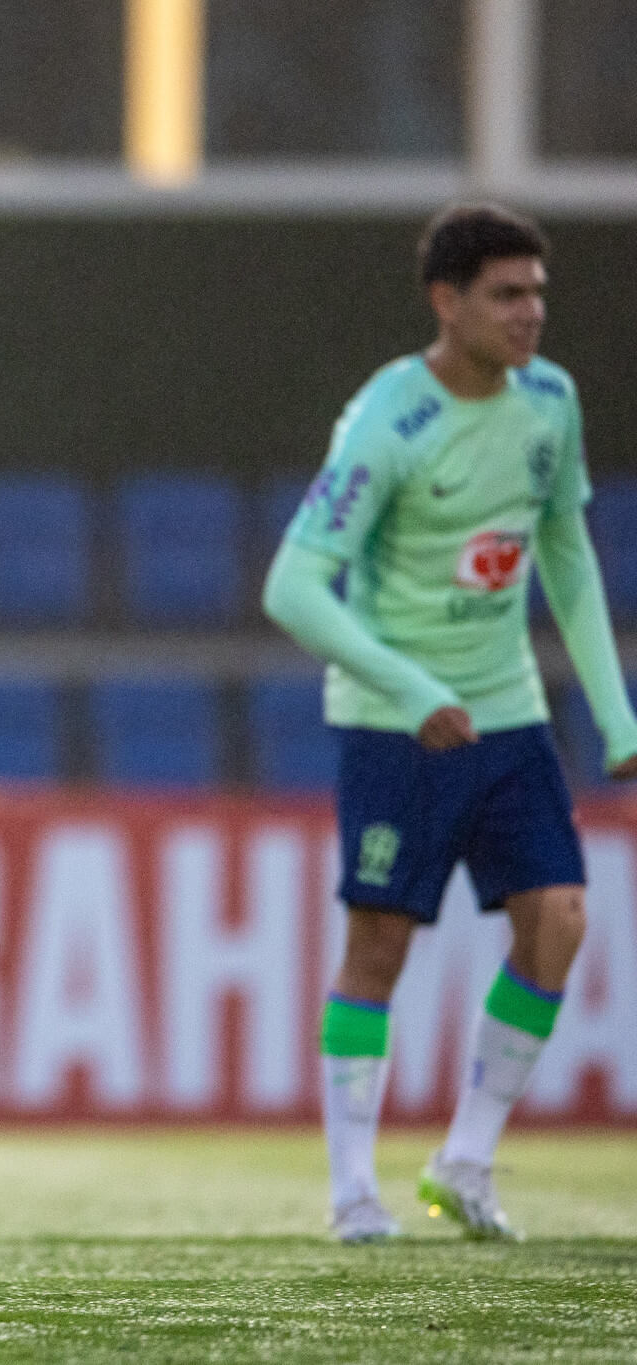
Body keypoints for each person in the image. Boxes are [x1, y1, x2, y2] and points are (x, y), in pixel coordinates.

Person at [263, 202, 637, 1244]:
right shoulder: (386, 422)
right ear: (445, 301)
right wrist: (407, 686)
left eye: (536, 294)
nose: (529, 315)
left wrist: (613, 712)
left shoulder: (549, 404)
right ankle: (350, 1194)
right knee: (378, 943)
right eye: (505, 295)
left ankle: (465, 1158)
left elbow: (561, 549)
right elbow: (291, 587)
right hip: (395, 722)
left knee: (557, 917)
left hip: (506, 712)